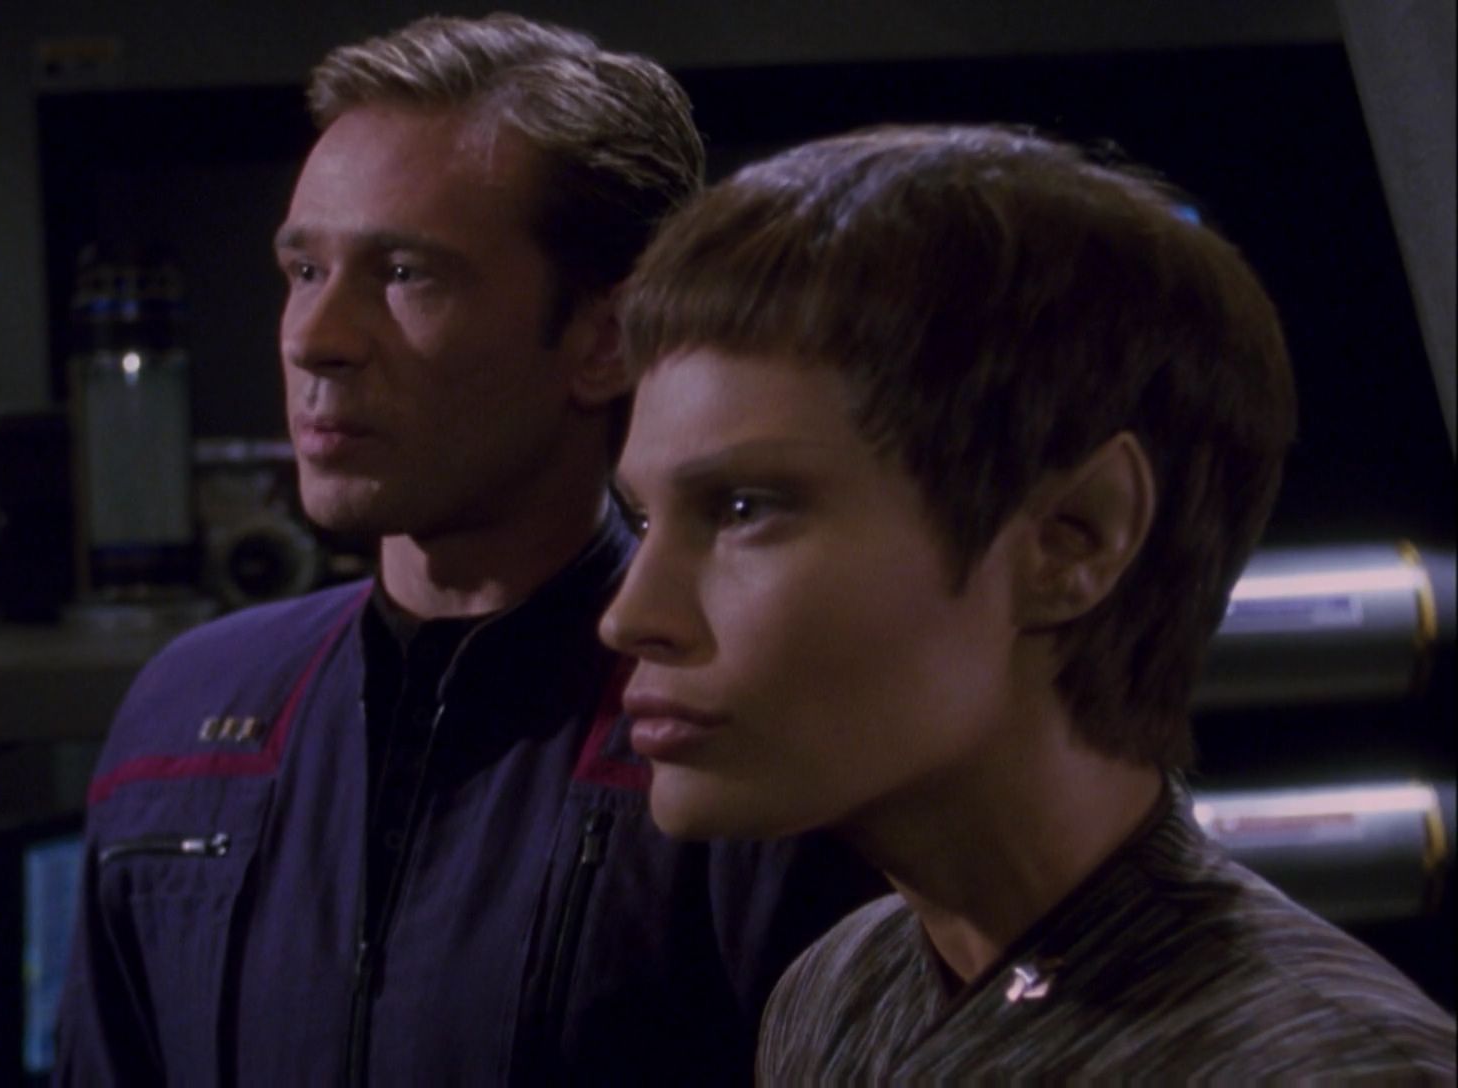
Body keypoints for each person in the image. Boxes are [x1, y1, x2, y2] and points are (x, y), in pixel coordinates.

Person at [54, 14, 877, 1085]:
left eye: (405, 273)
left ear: (605, 338)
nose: (314, 338)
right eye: (303, 269)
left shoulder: (736, 742)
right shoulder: (188, 718)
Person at [602, 124, 1457, 1081]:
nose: (630, 616)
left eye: (743, 509)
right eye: (643, 520)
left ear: (1071, 539)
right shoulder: (845, 986)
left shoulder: (1332, 1071)